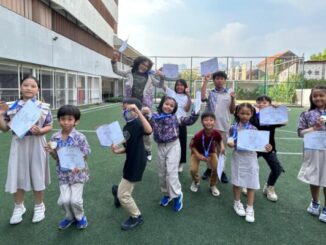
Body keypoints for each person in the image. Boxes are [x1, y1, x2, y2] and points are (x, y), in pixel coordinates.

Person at [0, 75, 53, 224]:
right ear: (20, 87)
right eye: (25, 85)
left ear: (38, 89)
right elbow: (4, 129)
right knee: (17, 174)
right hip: (18, 143)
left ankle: (39, 205)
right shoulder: (12, 107)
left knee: (37, 174)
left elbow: (49, 125)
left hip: (37, 143)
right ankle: (18, 207)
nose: (29, 88)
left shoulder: (43, 107)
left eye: (33, 86)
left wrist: (41, 131)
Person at [143, 96, 198, 212]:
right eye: (166, 104)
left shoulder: (176, 117)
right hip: (160, 146)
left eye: (171, 106)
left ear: (174, 108)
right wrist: (144, 112)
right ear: (162, 104)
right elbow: (145, 119)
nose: (168, 107)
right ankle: (167, 194)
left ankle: (177, 195)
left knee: (171, 172)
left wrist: (195, 112)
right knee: (162, 173)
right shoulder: (155, 117)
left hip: (173, 145)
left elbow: (189, 120)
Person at [111, 52, 164, 161]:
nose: (144, 67)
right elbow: (116, 71)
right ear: (138, 63)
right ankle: (130, 148)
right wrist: (114, 61)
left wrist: (162, 78)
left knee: (146, 129)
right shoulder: (129, 72)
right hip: (130, 105)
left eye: (147, 66)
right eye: (143, 64)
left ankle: (148, 150)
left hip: (145, 106)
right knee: (132, 127)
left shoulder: (150, 76)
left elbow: (159, 85)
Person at [44, 105, 91, 229]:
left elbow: (85, 155)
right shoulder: (55, 137)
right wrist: (51, 151)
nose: (66, 122)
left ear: (76, 121)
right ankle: (70, 217)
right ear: (58, 120)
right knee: (63, 201)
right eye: (63, 119)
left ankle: (80, 217)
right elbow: (56, 158)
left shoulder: (80, 137)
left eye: (70, 119)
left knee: (75, 200)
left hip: (78, 174)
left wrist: (78, 165)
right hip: (63, 174)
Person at [111, 98, 152, 231]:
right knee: (127, 182)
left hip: (138, 161)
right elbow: (128, 147)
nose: (126, 111)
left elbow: (149, 130)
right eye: (124, 109)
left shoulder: (138, 123)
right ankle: (118, 190)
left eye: (130, 109)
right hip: (131, 160)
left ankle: (136, 216)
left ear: (136, 111)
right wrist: (118, 151)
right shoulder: (126, 126)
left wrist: (139, 112)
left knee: (124, 195)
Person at [227, 103, 272, 223]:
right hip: (238, 156)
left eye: (247, 114)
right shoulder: (233, 127)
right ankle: (237, 202)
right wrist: (230, 142)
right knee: (237, 180)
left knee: (251, 182)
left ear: (252, 114)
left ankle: (250, 207)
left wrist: (267, 147)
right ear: (237, 113)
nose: (245, 116)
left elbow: (261, 145)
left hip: (251, 157)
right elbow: (230, 140)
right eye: (242, 113)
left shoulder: (254, 129)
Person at [243, 95, 285, 201]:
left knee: (277, 168)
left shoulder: (272, 116)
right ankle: (245, 184)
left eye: (265, 103)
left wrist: (277, 109)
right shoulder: (251, 115)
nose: (261, 104)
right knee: (248, 166)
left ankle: (269, 187)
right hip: (253, 147)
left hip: (268, 147)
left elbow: (284, 121)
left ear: (270, 105)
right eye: (259, 102)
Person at [297, 85, 326, 223]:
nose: (318, 98)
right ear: (311, 98)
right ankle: (315, 202)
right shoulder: (306, 114)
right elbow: (300, 133)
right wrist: (314, 128)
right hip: (313, 150)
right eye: (315, 96)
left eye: (321, 95)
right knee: (314, 177)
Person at [201, 71, 236, 183]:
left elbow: (232, 110)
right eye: (217, 78)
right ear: (214, 80)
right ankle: (209, 169)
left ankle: (221, 171)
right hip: (210, 127)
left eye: (222, 78)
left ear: (225, 80)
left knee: (222, 150)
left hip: (224, 126)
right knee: (210, 150)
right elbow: (202, 97)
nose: (219, 80)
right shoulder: (210, 93)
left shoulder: (229, 94)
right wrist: (205, 81)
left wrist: (234, 99)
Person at [189, 111, 224, 196]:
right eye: (206, 120)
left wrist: (222, 147)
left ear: (214, 122)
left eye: (211, 120)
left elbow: (220, 140)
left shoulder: (216, 133)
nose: (208, 122)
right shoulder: (198, 135)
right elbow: (192, 146)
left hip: (211, 152)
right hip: (197, 153)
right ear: (201, 122)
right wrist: (198, 155)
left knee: (216, 168)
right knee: (193, 170)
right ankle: (196, 181)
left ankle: (212, 185)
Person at [163, 79, 192, 172]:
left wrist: (189, 96)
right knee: (169, 143)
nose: (179, 87)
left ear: (185, 87)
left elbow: (187, 110)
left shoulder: (186, 96)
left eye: (182, 85)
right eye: (178, 85)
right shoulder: (171, 93)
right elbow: (162, 85)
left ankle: (181, 163)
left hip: (181, 123)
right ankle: (169, 162)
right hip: (170, 123)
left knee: (182, 143)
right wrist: (162, 76)